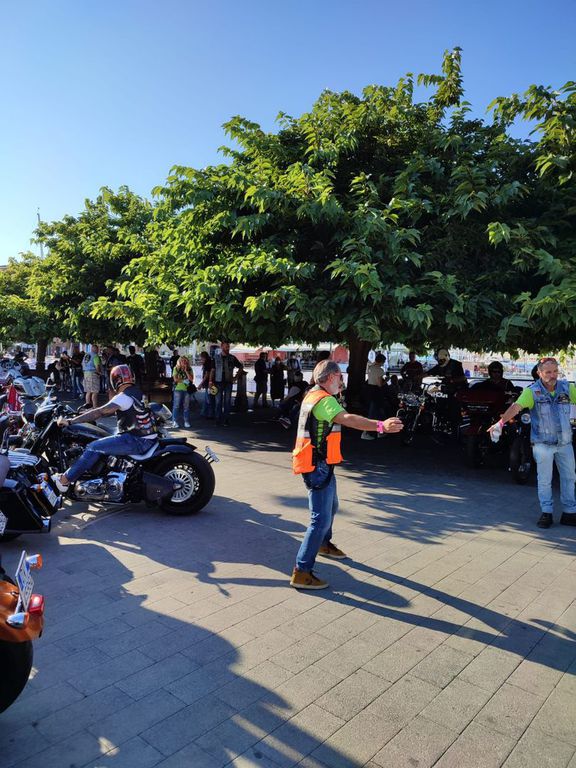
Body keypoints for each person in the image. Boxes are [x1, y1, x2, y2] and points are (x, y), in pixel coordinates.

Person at [290, 360, 404, 589]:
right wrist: (381, 426)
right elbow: (349, 419)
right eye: (340, 378)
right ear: (331, 377)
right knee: (320, 519)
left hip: (318, 463)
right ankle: (302, 572)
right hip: (317, 466)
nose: (341, 383)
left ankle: (323, 544)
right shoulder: (325, 400)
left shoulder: (312, 394)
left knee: (331, 507)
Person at [488, 357, 576, 529]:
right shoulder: (532, 391)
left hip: (565, 443)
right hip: (543, 443)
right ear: (539, 373)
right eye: (548, 372)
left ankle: (570, 512)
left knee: (570, 477)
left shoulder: (567, 388)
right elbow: (516, 407)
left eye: (555, 371)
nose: (552, 375)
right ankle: (546, 512)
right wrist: (500, 423)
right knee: (544, 479)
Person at [50, 364, 158, 493]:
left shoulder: (123, 397)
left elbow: (100, 412)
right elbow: (113, 410)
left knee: (93, 447)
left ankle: (64, 481)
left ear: (115, 380)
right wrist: (86, 413)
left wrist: (70, 421)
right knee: (101, 433)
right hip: (145, 437)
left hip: (137, 440)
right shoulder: (137, 392)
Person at [209, 341, 243, 426]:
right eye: (226, 347)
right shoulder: (215, 358)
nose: (227, 348)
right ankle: (218, 419)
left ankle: (226, 419)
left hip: (228, 382)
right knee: (218, 402)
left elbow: (241, 366)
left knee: (227, 402)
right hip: (218, 382)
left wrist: (236, 377)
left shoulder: (232, 358)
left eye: (228, 347)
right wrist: (210, 381)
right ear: (221, 347)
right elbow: (212, 370)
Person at [361, 353, 386, 440]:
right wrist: (386, 380)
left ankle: (380, 431)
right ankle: (366, 432)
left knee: (376, 412)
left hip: (369, 390)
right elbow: (379, 384)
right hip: (376, 391)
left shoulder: (370, 368)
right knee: (375, 413)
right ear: (382, 361)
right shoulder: (380, 370)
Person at [172, 355, 195, 429]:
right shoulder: (176, 368)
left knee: (186, 407)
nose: (184, 362)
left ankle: (186, 421)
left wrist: (186, 371)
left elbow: (191, 379)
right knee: (176, 406)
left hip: (186, 390)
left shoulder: (189, 369)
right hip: (178, 389)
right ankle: (175, 421)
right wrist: (183, 381)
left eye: (185, 361)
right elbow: (175, 379)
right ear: (179, 362)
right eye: (182, 361)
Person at [82, 344, 102, 409]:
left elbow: (82, 364)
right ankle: (95, 407)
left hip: (86, 374)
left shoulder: (86, 355)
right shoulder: (95, 356)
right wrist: (99, 372)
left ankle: (87, 406)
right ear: (95, 349)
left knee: (88, 391)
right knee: (95, 391)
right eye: (97, 349)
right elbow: (97, 366)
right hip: (93, 374)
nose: (98, 350)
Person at [198, 351, 215, 418]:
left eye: (201, 358)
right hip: (209, 383)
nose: (201, 359)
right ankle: (203, 412)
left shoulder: (207, 363)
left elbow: (207, 374)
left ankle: (210, 414)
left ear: (203, 357)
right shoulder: (209, 362)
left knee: (208, 399)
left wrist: (201, 384)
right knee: (207, 398)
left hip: (208, 383)